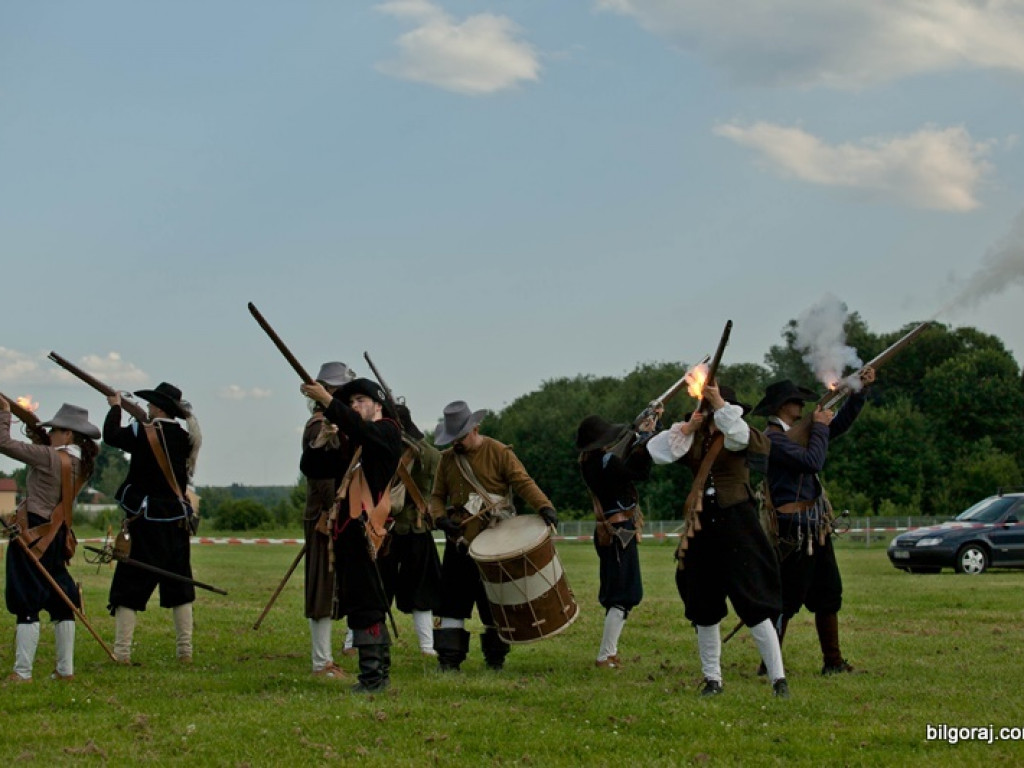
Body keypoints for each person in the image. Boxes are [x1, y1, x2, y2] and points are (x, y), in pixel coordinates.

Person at [647, 383, 789, 698]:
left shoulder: (738, 429)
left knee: (753, 603)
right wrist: (687, 426)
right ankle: (713, 679)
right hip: (701, 526)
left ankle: (778, 680)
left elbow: (740, 438)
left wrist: (720, 404)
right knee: (704, 605)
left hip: (737, 522)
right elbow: (656, 451)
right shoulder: (691, 436)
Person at [752, 367, 875, 676]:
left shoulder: (800, 432)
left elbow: (839, 426)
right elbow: (813, 462)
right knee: (787, 601)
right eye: (796, 401)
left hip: (815, 524)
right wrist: (819, 427)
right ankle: (770, 664)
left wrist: (858, 392)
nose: (801, 406)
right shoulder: (774, 439)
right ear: (783, 406)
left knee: (829, 593)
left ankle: (832, 662)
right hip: (794, 529)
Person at [429, 401, 558, 673]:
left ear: (475, 428)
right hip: (459, 541)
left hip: (496, 541)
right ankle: (449, 661)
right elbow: (437, 496)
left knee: (494, 604)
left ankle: (495, 659)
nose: (456, 444)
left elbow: (523, 482)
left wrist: (544, 507)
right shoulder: (447, 460)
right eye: (452, 439)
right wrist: (440, 519)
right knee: (452, 603)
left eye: (460, 437)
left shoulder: (499, 451)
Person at [300, 377, 402, 693]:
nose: (355, 406)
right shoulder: (354, 442)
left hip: (367, 530)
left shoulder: (387, 431)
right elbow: (313, 468)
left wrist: (331, 404)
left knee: (367, 604)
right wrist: (322, 439)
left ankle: (373, 678)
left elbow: (366, 431)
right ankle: (375, 674)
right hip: (347, 532)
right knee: (359, 603)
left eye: (360, 400)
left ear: (378, 403)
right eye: (351, 402)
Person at [2, 399, 99, 683]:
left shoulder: (50, 457)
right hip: (56, 535)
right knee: (62, 600)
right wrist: (38, 434)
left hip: (34, 533)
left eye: (55, 430)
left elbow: (4, 443)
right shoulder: (81, 461)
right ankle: (65, 670)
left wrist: (5, 414)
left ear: (68, 434)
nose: (52, 434)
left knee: (25, 599)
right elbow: (50, 451)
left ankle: (22, 673)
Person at [104, 382, 202, 665]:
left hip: (145, 521)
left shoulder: (143, 431)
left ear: (158, 407)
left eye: (150, 405)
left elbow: (111, 436)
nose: (147, 408)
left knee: (127, 587)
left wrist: (115, 408)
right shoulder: (184, 437)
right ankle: (185, 651)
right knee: (180, 587)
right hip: (176, 522)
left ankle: (122, 653)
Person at [575, 413, 656, 669]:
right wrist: (644, 437)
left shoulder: (592, 463)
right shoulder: (606, 462)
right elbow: (638, 472)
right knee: (622, 594)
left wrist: (642, 434)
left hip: (613, 531)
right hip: (620, 530)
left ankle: (608, 653)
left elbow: (626, 460)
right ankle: (605, 655)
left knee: (619, 593)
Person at [299, 362, 356, 679]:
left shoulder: (339, 422)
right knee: (322, 586)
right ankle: (321, 663)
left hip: (340, 513)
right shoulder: (319, 425)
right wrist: (327, 512)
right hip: (326, 514)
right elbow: (320, 476)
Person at [377, 403, 442, 656]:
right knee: (419, 592)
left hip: (388, 530)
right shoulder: (432, 454)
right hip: (416, 530)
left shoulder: (385, 451)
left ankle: (356, 643)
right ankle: (427, 647)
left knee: (380, 589)